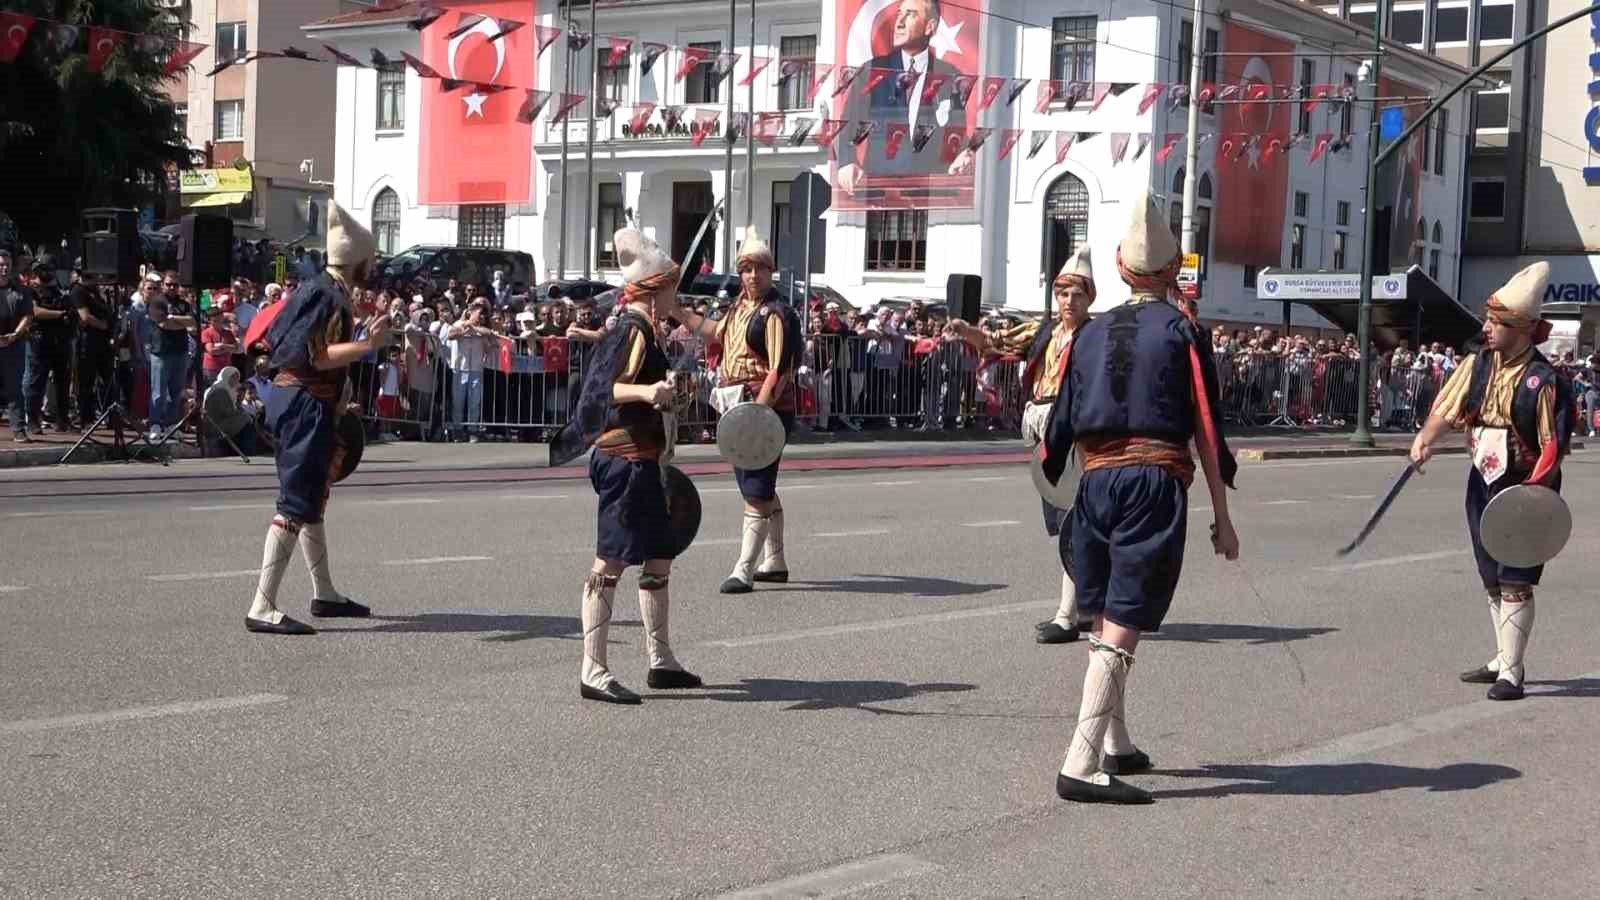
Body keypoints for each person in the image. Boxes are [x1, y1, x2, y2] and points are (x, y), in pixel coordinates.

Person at [1039, 194, 1240, 805]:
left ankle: (1116, 744)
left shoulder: (1088, 332)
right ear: (1170, 269)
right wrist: (1222, 518)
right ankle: (1079, 761)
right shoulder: (1184, 331)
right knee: (1122, 624)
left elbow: (1060, 426)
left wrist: (1060, 485)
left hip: (1095, 480)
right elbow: (1205, 425)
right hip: (1151, 481)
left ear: (1122, 270)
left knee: (1105, 617)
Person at [548, 227, 703, 705]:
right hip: (624, 462)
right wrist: (646, 392)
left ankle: (660, 661)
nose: (677, 294)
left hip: (646, 462)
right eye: (672, 287)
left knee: (659, 557)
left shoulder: (643, 330)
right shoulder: (630, 330)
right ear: (656, 291)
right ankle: (593, 670)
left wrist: (674, 394)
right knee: (609, 563)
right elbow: (603, 391)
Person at [1410, 262, 1574, 702]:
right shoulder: (1479, 361)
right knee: (1490, 574)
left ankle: (1513, 673)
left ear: (1519, 327)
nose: (1485, 326)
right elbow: (1449, 406)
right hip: (1482, 477)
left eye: (1494, 321)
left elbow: (1551, 447)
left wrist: (1532, 496)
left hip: (1524, 487)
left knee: (1515, 577)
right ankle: (1502, 657)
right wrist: (1425, 439)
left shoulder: (1543, 380)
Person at [244, 204, 391, 636]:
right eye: (372, 259)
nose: (374, 266)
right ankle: (262, 604)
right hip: (304, 404)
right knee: (295, 502)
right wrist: (367, 345)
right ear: (358, 259)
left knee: (313, 500)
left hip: (306, 401)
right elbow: (317, 355)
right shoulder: (326, 295)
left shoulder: (325, 290)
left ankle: (324, 593)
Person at [947, 246, 1095, 644]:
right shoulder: (1043, 330)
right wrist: (967, 331)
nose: (1069, 301)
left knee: (1072, 522)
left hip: (1079, 435)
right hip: (1046, 430)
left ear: (1090, 297)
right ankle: (1086, 606)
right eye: (1064, 293)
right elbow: (997, 343)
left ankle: (1068, 614)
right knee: (1063, 520)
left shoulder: (1096, 337)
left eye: (1078, 294)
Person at [666, 228, 803, 594]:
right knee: (758, 484)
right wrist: (677, 310)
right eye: (746, 269)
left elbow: (780, 369)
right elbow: (714, 332)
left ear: (770, 271)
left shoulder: (777, 314)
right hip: (737, 403)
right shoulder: (739, 308)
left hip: (763, 407)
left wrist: (758, 415)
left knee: (756, 488)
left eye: (759, 269)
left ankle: (744, 568)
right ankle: (775, 560)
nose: (752, 276)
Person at [835, 0, 972, 194]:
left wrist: (961, 156)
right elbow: (847, 124)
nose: (899, 21)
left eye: (910, 14)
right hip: (879, 195)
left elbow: (956, 134)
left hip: (930, 196)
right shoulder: (872, 71)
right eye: (899, 13)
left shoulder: (951, 76)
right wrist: (846, 162)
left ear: (930, 26)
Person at [24, 256, 75, 433]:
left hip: (60, 340)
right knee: (36, 382)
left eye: (51, 269)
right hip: (39, 340)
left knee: (62, 382)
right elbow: (35, 312)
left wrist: (66, 312)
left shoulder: (57, 290)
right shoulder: (31, 290)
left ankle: (62, 420)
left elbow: (70, 309)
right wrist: (60, 314)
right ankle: (32, 421)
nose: (50, 273)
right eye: (46, 269)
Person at [0, 250, 33, 442]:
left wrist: (15, 335)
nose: (4, 269)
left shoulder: (21, 289)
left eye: (7, 265)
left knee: (14, 388)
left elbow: (27, 315)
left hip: (13, 344)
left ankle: (18, 429)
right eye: (1, 265)